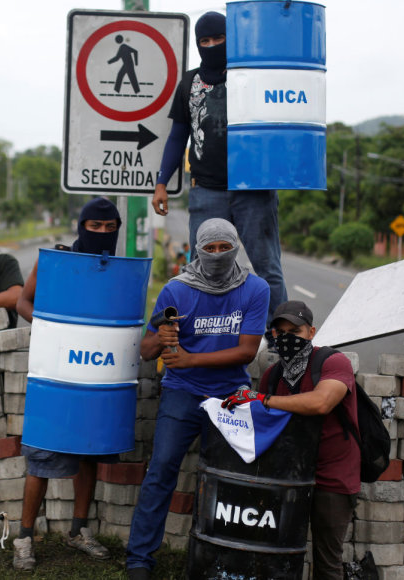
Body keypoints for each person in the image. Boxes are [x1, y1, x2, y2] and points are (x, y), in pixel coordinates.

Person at [125, 218, 269, 580]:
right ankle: (139, 560)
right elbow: (145, 351)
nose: (217, 255)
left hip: (231, 398)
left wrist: (189, 357)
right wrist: (163, 335)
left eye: (225, 247)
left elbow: (247, 352)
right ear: (197, 249)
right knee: (161, 472)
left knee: (231, 479)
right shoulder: (177, 290)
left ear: (236, 247)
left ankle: (219, 557)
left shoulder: (255, 289)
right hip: (182, 392)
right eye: (210, 248)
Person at [150, 11, 287, 324]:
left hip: (254, 190)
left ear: (231, 39)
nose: (212, 45)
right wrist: (161, 182)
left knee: (267, 268)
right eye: (205, 40)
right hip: (206, 191)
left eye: (220, 39)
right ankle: (202, 334)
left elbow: (280, 120)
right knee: (202, 268)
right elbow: (177, 137)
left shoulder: (251, 77)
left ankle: (282, 338)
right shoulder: (189, 82)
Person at [11, 197, 122, 572]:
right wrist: (52, 328)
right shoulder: (56, 262)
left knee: (88, 452)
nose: (102, 234)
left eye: (110, 228)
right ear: (81, 227)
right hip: (58, 373)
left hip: (96, 376)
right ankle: (24, 537)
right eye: (95, 227)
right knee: (42, 454)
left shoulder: (120, 270)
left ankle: (78, 531)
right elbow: (24, 303)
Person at [222, 300, 359, 580]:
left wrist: (264, 400)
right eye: (279, 332)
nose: (286, 339)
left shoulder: (332, 362)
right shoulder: (273, 375)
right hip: (287, 475)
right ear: (272, 336)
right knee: (274, 551)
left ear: (311, 332)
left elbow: (322, 402)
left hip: (331, 476)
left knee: (327, 562)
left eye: (294, 332)